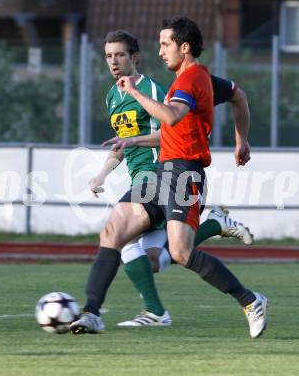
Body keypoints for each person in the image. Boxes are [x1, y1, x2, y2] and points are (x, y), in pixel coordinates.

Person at [71, 18, 267, 338]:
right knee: (113, 232)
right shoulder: (200, 77)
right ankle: (91, 312)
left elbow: (172, 116)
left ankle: (250, 300)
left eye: (165, 44)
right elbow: (239, 96)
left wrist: (134, 92)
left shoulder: (188, 82)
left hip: (184, 174)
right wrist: (241, 140)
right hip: (160, 173)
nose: (160, 51)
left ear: (184, 47)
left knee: (180, 253)